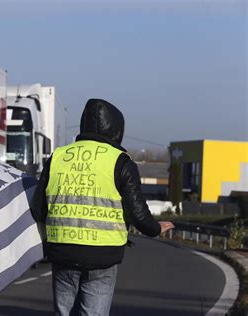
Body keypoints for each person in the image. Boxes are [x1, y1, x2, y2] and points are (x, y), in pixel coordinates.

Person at [31, 98, 174, 316]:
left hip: (62, 251)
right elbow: (137, 212)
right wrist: (155, 229)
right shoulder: (121, 162)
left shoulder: (58, 157)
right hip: (102, 257)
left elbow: (38, 208)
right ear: (117, 129)